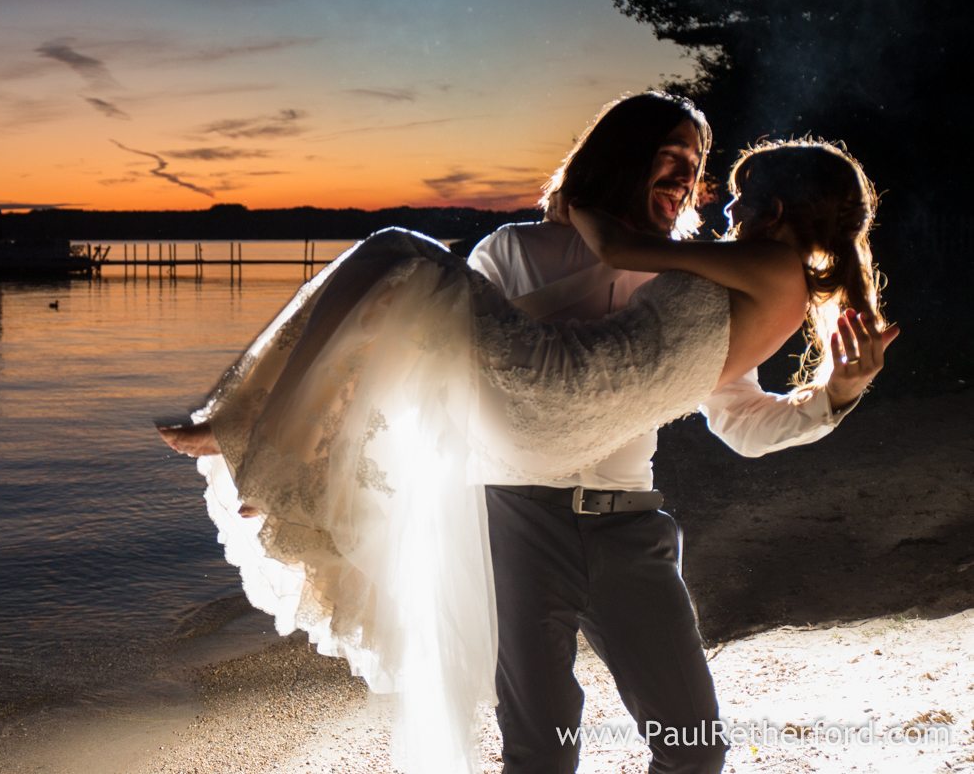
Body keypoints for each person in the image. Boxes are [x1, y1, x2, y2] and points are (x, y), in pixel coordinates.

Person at [158, 106, 893, 773]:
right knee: (540, 748)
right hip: (515, 519)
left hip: (628, 523)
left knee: (694, 746)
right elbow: (432, 373)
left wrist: (834, 396)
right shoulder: (514, 251)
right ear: (624, 156)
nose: (691, 182)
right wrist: (319, 474)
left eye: (699, 169)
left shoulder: (695, 279)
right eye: (674, 158)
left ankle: (258, 434)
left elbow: (738, 420)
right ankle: (250, 431)